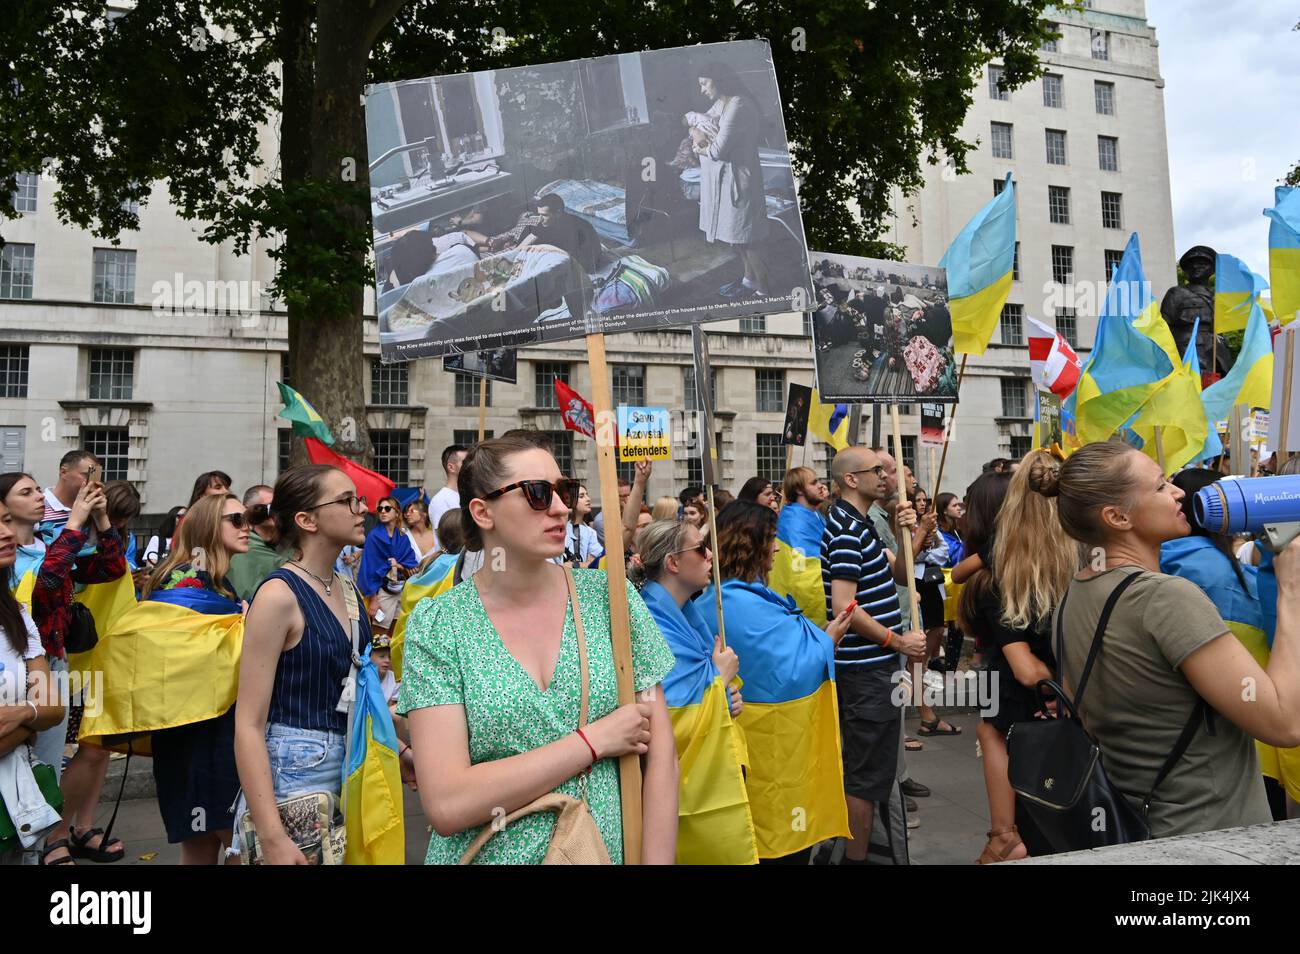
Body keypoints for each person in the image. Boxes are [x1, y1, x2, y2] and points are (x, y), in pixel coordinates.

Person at [397, 435, 679, 864]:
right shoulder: (439, 626)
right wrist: (591, 742)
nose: (562, 507)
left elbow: (661, 757)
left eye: (564, 491)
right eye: (537, 493)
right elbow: (448, 804)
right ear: (482, 511)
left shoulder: (612, 600)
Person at [1028, 443, 1300, 837]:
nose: (1178, 493)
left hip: (1142, 830)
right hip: (1213, 840)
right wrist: (1290, 590)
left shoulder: (1075, 594)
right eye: (1159, 487)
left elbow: (1088, 716)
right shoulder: (1166, 598)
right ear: (1117, 516)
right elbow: (1285, 723)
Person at [234, 464, 381, 865]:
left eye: (359, 499)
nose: (362, 509)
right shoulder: (279, 595)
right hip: (294, 775)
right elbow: (248, 723)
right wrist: (272, 836)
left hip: (351, 764)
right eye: (347, 500)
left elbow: (352, 685)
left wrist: (399, 747)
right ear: (306, 520)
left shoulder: (346, 586)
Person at [699, 501, 854, 863]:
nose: (778, 548)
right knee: (778, 842)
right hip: (767, 747)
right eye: (771, 539)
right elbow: (793, 669)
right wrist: (829, 638)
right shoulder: (734, 605)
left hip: (752, 747)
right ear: (751, 545)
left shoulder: (730, 599)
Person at [1, 470, 125, 869]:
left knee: (47, 762)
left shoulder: (49, 543)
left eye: (38, 489)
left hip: (53, 663)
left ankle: (39, 845)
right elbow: (47, 584)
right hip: (16, 671)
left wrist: (101, 519)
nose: (40, 497)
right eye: (27, 492)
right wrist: (74, 523)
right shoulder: (16, 560)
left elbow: (111, 569)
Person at [1161, 468, 1298, 820]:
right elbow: (1275, 631)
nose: (1171, 494)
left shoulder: (1166, 563)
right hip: (1259, 737)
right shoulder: (1221, 577)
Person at [960, 455, 1077, 863]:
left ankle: (1004, 836)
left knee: (992, 733)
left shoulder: (1002, 569)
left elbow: (1024, 670)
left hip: (1012, 686)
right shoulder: (1082, 558)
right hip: (1064, 692)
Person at [632, 519, 756, 863]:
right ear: (673, 563)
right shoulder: (651, 621)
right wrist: (718, 678)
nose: (711, 555)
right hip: (675, 787)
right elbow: (667, 720)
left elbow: (702, 693)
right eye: (701, 549)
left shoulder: (684, 613)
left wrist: (723, 695)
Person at [823, 447, 926, 863]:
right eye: (877, 471)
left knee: (874, 771)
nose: (887, 476)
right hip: (866, 672)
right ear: (852, 479)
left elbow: (900, 574)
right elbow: (844, 606)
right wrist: (897, 642)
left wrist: (912, 534)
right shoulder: (847, 529)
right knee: (865, 778)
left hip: (876, 668)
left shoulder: (862, 523)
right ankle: (856, 859)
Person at [142, 493, 249, 864]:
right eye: (236, 520)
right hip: (199, 733)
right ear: (208, 527)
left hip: (199, 728)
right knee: (235, 839)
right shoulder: (188, 578)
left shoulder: (215, 580)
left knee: (204, 843)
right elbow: (181, 658)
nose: (247, 526)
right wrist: (244, 627)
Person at [871, 449, 955, 738]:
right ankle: (897, 737)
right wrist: (920, 536)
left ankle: (924, 718)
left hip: (906, 604)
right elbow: (900, 566)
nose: (909, 477)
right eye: (898, 471)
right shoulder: (874, 519)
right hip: (891, 611)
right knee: (897, 673)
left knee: (916, 664)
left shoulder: (892, 514)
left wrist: (925, 537)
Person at [0, 497, 66, 865]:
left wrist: (21, 712)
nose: (7, 533)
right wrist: (27, 726)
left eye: (7, 521)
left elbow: (53, 708)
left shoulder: (17, 615)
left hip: (14, 808)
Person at [693, 62, 771, 298]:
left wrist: (701, 145)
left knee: (747, 239)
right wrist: (699, 134)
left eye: (704, 83)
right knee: (736, 237)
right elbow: (697, 122)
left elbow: (717, 150)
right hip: (727, 180)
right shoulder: (723, 102)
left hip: (740, 181)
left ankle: (765, 290)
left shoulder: (738, 104)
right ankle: (749, 280)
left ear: (719, 79)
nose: (702, 90)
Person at [357, 496, 418, 633]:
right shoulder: (374, 536)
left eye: (387, 508)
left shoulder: (402, 537)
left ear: (396, 513)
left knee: (397, 631)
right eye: (380, 509)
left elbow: (412, 565)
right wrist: (374, 599)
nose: (383, 512)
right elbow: (368, 569)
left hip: (401, 589)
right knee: (379, 633)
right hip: (382, 591)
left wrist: (399, 566)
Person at [227, 485, 288, 603]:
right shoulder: (243, 545)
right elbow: (248, 594)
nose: (275, 512)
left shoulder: (286, 541)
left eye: (279, 507)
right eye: (268, 507)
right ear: (247, 510)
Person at [428, 445, 468, 550]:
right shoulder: (440, 500)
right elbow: (448, 539)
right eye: (466, 462)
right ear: (451, 467)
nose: (470, 465)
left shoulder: (471, 494)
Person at [564, 484, 601, 567]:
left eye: (587, 495)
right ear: (570, 501)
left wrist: (573, 565)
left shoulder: (591, 532)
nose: (588, 499)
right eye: (581, 496)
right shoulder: (560, 529)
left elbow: (592, 565)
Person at [593, 477, 631, 548]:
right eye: (623, 496)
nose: (628, 499)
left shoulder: (633, 514)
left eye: (629, 495)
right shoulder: (602, 520)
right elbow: (617, 546)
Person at [935, 492, 964, 566]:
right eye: (954, 506)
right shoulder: (939, 532)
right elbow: (954, 556)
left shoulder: (954, 529)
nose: (959, 508)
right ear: (944, 510)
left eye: (958, 505)